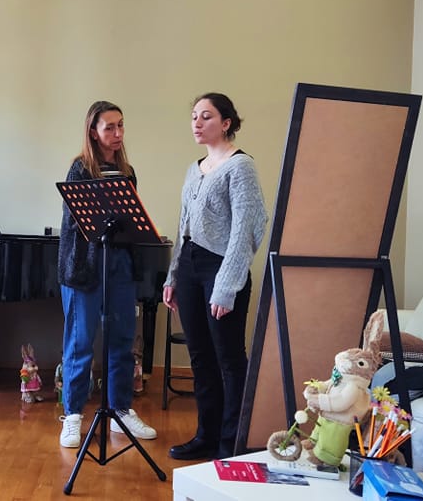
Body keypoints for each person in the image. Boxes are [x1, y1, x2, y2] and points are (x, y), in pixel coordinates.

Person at [163, 93, 268, 460]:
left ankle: (231, 443)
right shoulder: (195, 168)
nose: (197, 122)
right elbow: (184, 226)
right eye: (194, 116)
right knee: (200, 357)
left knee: (229, 359)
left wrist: (226, 286)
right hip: (190, 266)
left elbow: (246, 229)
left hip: (222, 267)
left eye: (206, 116)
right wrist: (173, 276)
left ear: (226, 123)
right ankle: (206, 436)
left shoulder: (240, 167)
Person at [57, 100, 157, 448]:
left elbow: (131, 221)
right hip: (85, 266)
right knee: (80, 342)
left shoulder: (127, 171)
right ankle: (73, 415)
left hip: (120, 266)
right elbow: (75, 224)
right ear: (93, 131)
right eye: (109, 127)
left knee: (122, 341)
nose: (117, 133)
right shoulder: (80, 169)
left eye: (121, 125)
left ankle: (120, 411)